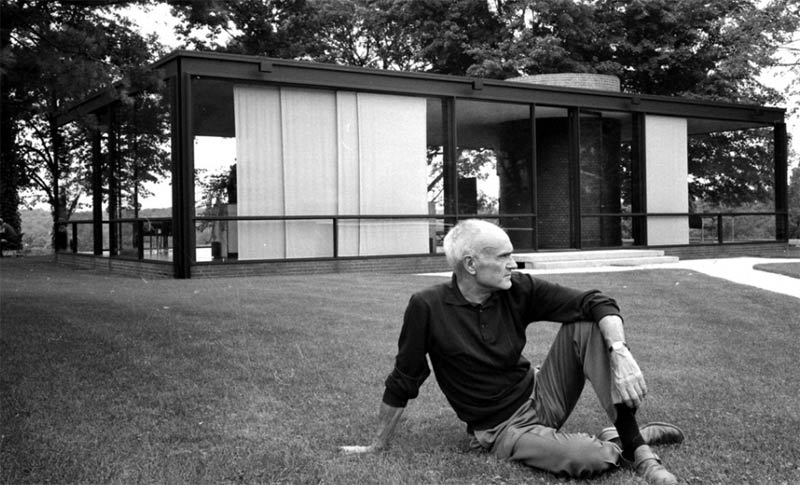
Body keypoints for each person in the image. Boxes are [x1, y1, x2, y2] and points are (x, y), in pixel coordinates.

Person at [341, 219, 683, 484]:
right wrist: (378, 445)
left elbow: (594, 302)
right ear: (472, 264)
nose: (513, 263)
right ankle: (619, 439)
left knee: (587, 325)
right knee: (588, 458)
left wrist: (620, 351)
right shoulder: (427, 306)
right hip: (501, 428)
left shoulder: (517, 289)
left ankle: (639, 451)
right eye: (503, 256)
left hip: (541, 394)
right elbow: (405, 378)